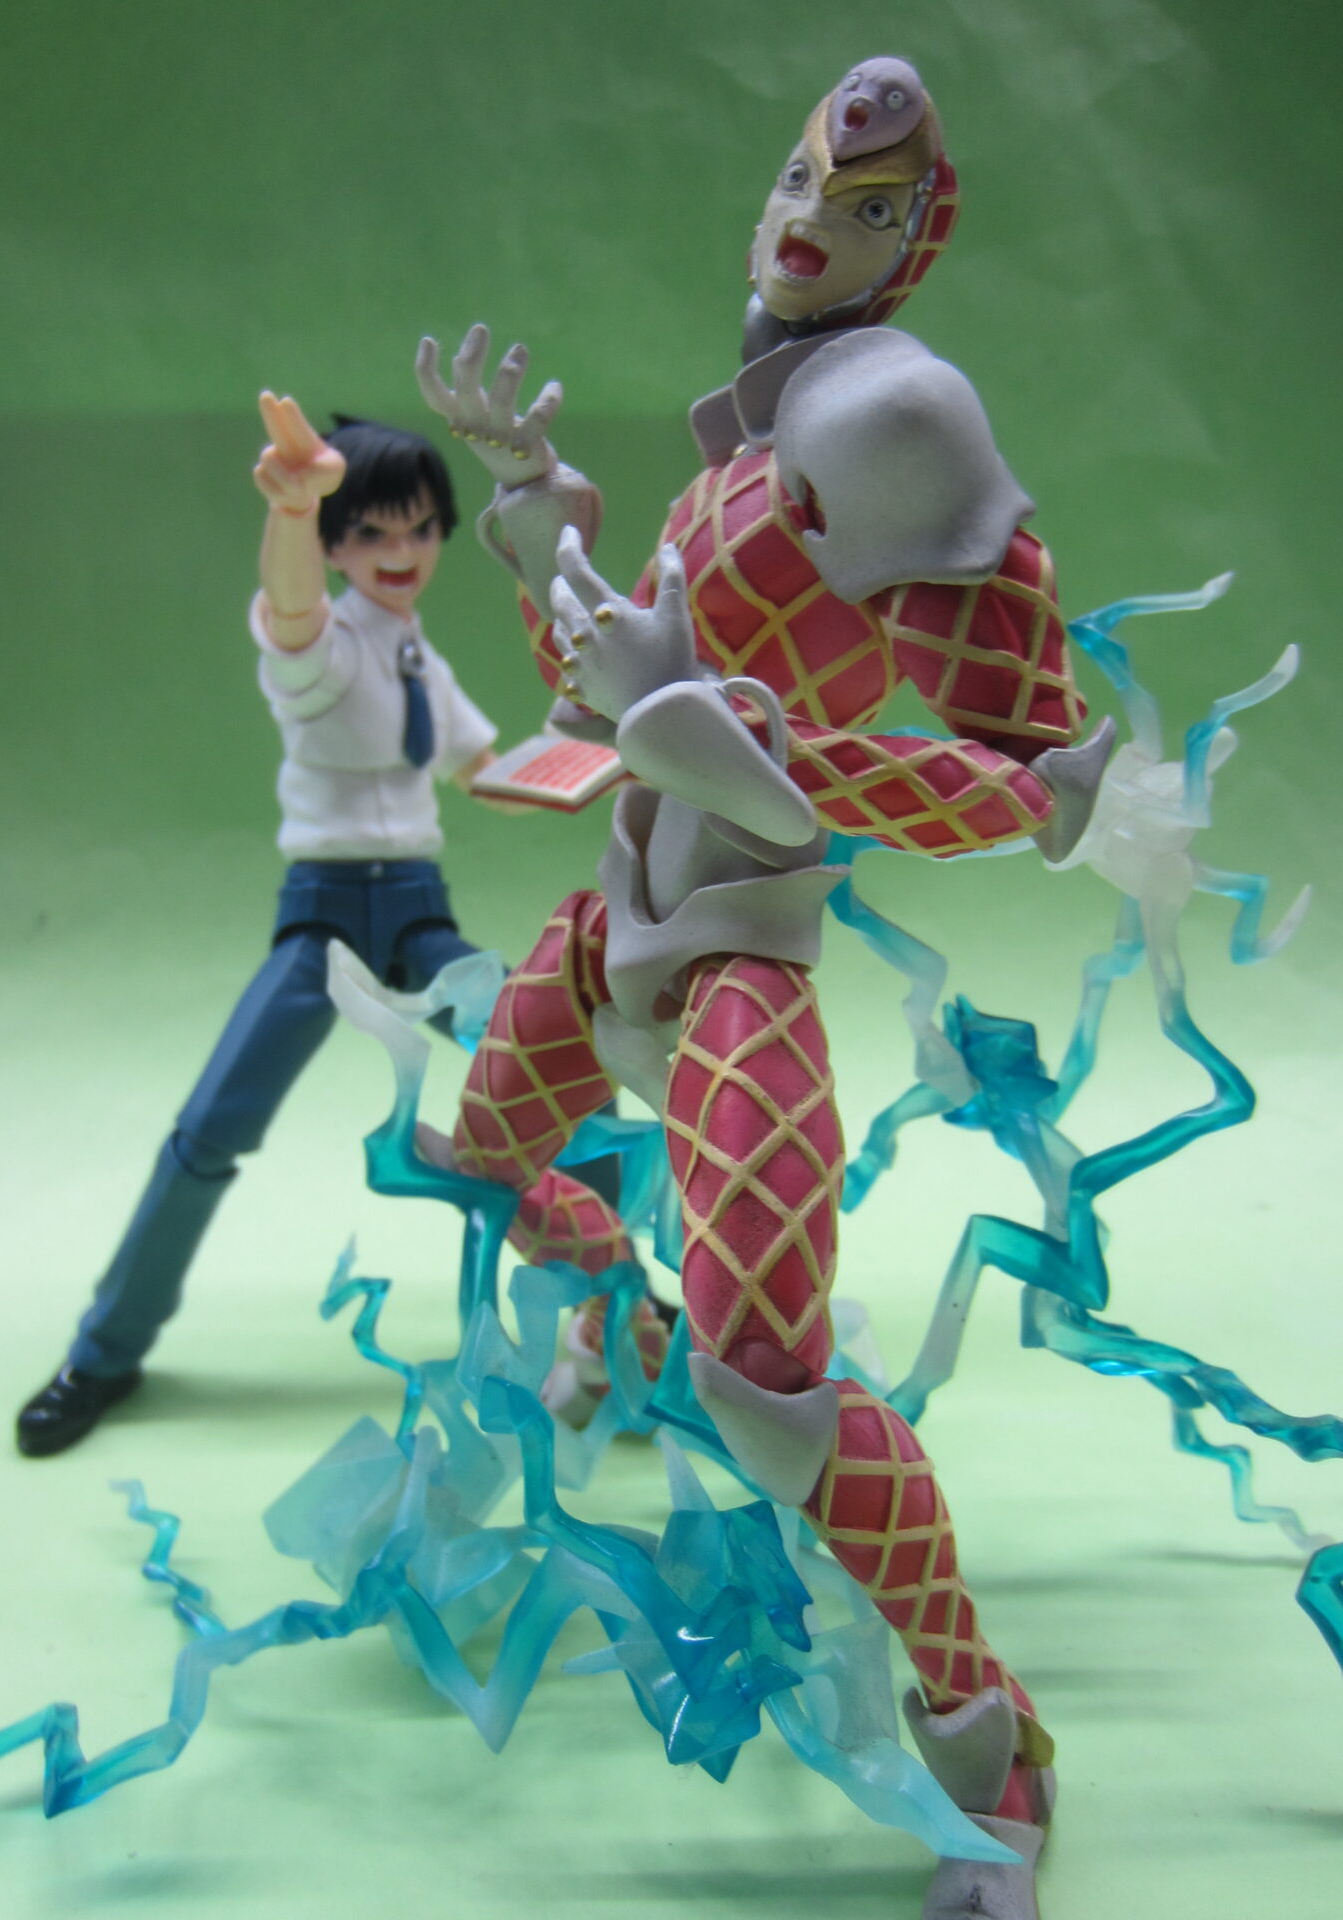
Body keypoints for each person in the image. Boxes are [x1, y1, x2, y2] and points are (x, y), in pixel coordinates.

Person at [417, 56, 1113, 1920]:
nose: (811, 220)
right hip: (614, 922)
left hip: (737, 965)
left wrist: (719, 731)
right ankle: (617, 1336)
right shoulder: (751, 441)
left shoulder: (891, 417)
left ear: (914, 243)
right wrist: (537, 512)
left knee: (777, 1395)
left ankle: (991, 1752)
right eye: (804, 180)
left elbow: (1009, 790)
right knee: (484, 1158)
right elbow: (598, 687)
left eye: (866, 208)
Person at [16, 397, 522, 1457]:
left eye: (419, 528)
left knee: (544, 1069)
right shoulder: (323, 647)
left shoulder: (421, 660)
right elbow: (289, 610)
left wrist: (606, 756)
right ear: (336, 545)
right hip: (325, 918)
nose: (400, 552)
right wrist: (293, 512)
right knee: (211, 1129)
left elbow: (484, 771)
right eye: (371, 532)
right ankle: (103, 1352)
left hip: (419, 917)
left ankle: (638, 1302)